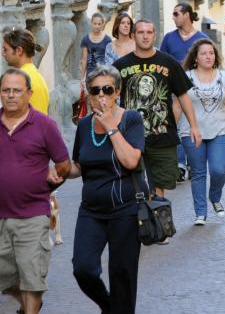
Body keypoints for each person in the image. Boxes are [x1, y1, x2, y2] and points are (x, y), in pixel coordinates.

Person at [49, 65, 147, 313]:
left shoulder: (131, 119)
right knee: (83, 268)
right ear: (88, 93)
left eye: (107, 89)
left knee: (122, 273)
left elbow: (130, 161)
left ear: (117, 92)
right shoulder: (84, 125)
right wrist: (59, 171)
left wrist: (111, 127)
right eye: (95, 90)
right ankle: (109, 306)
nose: (101, 95)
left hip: (126, 209)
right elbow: (79, 167)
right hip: (91, 210)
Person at [0, 68, 70, 314]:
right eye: (6, 90)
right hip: (1, 215)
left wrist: (47, 187)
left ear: (29, 93)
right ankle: (29, 305)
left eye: (16, 90)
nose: (10, 95)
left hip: (32, 214)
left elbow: (64, 165)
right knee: (4, 278)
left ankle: (31, 307)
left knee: (32, 278)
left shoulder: (44, 125)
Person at [114, 20, 202, 210]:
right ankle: (139, 223)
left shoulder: (169, 63)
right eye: (140, 32)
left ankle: (157, 225)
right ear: (133, 36)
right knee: (133, 183)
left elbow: (183, 96)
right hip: (129, 138)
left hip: (162, 136)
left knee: (159, 185)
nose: (145, 36)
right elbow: (110, 98)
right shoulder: (120, 66)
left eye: (149, 32)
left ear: (155, 35)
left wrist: (194, 126)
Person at [175, 39, 225, 225]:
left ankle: (215, 196)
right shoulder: (185, 77)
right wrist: (172, 130)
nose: (208, 56)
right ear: (196, 58)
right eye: (203, 53)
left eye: (211, 53)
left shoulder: (224, 77)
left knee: (219, 170)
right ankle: (200, 213)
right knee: (199, 172)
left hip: (219, 130)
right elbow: (177, 105)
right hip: (191, 132)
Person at [160, 3, 208, 181]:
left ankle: (192, 161)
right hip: (173, 90)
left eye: (176, 14)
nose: (173, 17)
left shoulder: (201, 38)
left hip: (196, 90)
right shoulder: (168, 38)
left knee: (193, 125)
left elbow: (209, 62)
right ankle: (180, 164)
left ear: (187, 15)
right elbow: (161, 61)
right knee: (177, 124)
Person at [1, 29, 49, 115]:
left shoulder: (21, 79)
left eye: (5, 50)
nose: (3, 54)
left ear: (19, 50)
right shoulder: (35, 74)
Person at [80, 13, 112, 83]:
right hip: (90, 75)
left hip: (104, 74)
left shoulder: (108, 39)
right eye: (95, 23)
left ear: (103, 24)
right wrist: (82, 78)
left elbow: (110, 59)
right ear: (91, 23)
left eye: (99, 24)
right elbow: (84, 59)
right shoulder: (85, 39)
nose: (97, 26)